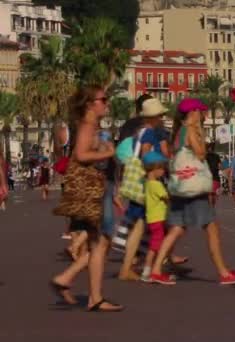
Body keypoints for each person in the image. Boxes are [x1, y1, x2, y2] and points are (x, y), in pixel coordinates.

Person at [149, 98, 235, 285]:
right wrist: (200, 132)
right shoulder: (190, 130)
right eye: (200, 111)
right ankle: (224, 272)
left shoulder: (177, 132)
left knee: (177, 228)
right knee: (211, 228)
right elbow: (201, 153)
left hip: (180, 187)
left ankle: (155, 270)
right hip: (194, 187)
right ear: (192, 112)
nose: (203, 115)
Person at [51, 86, 123, 312]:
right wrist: (109, 152)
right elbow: (81, 155)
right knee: (100, 242)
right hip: (89, 190)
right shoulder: (88, 125)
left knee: (98, 242)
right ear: (91, 104)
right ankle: (93, 296)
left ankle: (83, 289)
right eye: (103, 99)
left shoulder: (92, 126)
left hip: (94, 189)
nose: (107, 103)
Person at [118, 97, 170, 281]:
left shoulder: (140, 132)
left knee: (140, 225)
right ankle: (128, 267)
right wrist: (159, 166)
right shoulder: (149, 133)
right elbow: (146, 155)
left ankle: (134, 264)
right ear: (154, 117)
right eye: (160, 115)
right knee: (140, 226)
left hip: (140, 181)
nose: (163, 117)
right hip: (145, 182)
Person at [140, 151, 170, 283]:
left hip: (152, 217)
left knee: (156, 245)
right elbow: (166, 197)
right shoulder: (157, 185)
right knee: (156, 246)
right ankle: (148, 271)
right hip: (158, 218)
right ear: (154, 169)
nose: (163, 171)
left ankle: (151, 270)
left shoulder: (147, 183)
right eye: (161, 168)